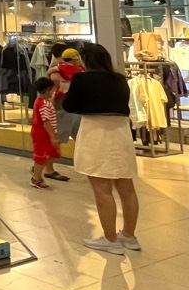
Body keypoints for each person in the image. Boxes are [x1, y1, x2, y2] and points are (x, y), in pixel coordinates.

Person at [63, 43, 140, 255]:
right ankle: (129, 235)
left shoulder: (82, 79)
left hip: (96, 133)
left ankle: (110, 239)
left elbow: (70, 105)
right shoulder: (120, 79)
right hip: (121, 133)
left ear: (86, 59)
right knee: (127, 187)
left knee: (102, 188)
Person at [29, 76, 68, 189]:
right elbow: (46, 122)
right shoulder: (44, 104)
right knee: (41, 156)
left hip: (44, 133)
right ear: (47, 90)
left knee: (50, 153)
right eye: (52, 90)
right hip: (42, 134)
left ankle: (38, 171)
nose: (54, 92)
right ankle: (36, 178)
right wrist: (53, 136)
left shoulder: (42, 101)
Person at [49, 46, 84, 146]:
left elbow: (51, 74)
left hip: (61, 101)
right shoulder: (79, 71)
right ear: (74, 59)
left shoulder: (58, 68)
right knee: (76, 133)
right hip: (72, 104)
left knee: (61, 133)